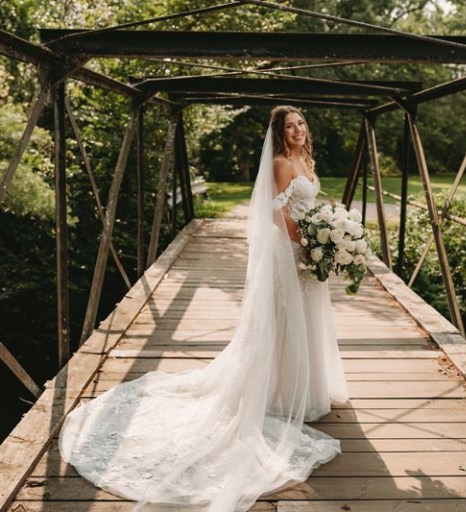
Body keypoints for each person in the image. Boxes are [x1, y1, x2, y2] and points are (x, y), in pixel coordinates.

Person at [58, 105, 349, 512]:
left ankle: (307, 387)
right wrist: (310, 241)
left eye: (301, 123)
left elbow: (306, 208)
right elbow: (276, 213)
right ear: (278, 133)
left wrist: (324, 235)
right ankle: (280, 393)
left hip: (305, 256)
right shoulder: (282, 163)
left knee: (306, 322)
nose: (298, 130)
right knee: (286, 323)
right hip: (291, 254)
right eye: (290, 126)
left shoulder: (304, 159)